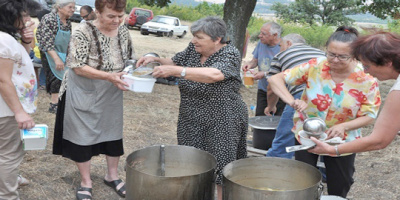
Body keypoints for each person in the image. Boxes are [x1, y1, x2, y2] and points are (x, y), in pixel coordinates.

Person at [136, 16, 248, 200]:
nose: (194, 40)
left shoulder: (230, 53)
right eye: (193, 36)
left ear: (217, 39)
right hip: (191, 119)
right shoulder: (193, 50)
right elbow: (174, 62)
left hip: (223, 120)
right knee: (192, 164)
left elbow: (214, 74)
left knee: (223, 169)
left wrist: (178, 71)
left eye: (199, 37)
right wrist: (154, 58)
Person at [268, 26, 381, 198]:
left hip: (342, 141)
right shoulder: (315, 66)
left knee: (340, 183)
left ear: (355, 55)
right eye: (331, 54)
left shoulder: (366, 79)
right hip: (308, 134)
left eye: (342, 56)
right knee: (304, 180)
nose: (334, 60)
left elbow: (369, 115)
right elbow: (275, 79)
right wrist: (291, 101)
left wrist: (344, 126)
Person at [52, 0, 133, 199]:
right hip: (84, 90)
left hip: (112, 91)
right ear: (97, 12)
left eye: (120, 16)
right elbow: (77, 65)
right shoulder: (83, 31)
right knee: (82, 136)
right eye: (111, 16)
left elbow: (129, 56)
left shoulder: (122, 31)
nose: (117, 21)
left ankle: (112, 176)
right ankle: (85, 182)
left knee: (112, 132)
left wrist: (134, 68)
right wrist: (108, 76)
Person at [309, 31, 400, 156]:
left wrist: (333, 149)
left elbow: (379, 141)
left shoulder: (398, 92)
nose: (366, 72)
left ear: (387, 62)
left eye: (367, 66)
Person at [0, 0, 41, 199]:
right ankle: (7, 194)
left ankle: (10, 180)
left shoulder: (8, 39)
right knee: (9, 155)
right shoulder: (3, 40)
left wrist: (25, 42)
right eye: (23, 16)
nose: (28, 20)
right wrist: (19, 112)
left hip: (7, 108)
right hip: (7, 110)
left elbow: (17, 64)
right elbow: (3, 80)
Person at [265, 33, 325, 158]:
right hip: (327, 97)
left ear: (288, 44)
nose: (279, 49)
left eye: (280, 45)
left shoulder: (281, 55)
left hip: (300, 95)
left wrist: (271, 106)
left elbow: (272, 87)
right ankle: (324, 173)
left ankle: (274, 166)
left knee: (285, 137)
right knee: (324, 134)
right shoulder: (321, 53)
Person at [36, 0, 75, 113]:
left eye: (73, 7)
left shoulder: (68, 22)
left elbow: (69, 41)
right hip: (50, 53)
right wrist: (56, 58)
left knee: (64, 77)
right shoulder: (49, 19)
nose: (73, 10)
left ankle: (62, 103)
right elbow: (46, 41)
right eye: (70, 7)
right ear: (59, 8)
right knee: (55, 77)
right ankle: (54, 105)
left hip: (63, 52)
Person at [242, 22, 285, 116]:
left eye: (263, 34)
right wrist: (249, 64)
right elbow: (255, 61)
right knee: (260, 118)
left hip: (280, 91)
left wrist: (265, 73)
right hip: (263, 89)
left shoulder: (283, 47)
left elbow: (286, 71)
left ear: (275, 35)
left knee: (277, 121)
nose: (259, 36)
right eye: (260, 33)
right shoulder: (261, 43)